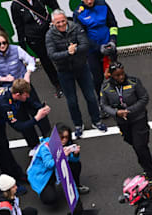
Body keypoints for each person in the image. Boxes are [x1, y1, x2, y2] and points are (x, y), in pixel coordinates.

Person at [46, 10, 107, 138]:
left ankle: (96, 121)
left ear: (66, 19)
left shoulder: (76, 27)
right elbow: (52, 55)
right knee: (72, 101)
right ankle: (78, 125)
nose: (61, 24)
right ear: (53, 23)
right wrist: (68, 52)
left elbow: (85, 45)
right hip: (64, 71)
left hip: (81, 67)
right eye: (58, 22)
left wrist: (75, 50)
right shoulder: (49, 35)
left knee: (90, 96)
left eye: (63, 21)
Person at [99, 62, 152, 187]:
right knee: (131, 142)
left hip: (138, 118)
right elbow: (104, 105)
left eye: (122, 74)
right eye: (117, 75)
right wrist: (116, 113)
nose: (121, 77)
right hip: (122, 122)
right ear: (111, 76)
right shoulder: (105, 87)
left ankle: (151, 173)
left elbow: (144, 98)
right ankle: (145, 163)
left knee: (140, 145)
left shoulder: (134, 82)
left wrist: (129, 111)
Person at [26, 124, 88, 205]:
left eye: (66, 137)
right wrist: (62, 156)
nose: (64, 140)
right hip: (43, 175)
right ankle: (43, 191)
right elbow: (49, 164)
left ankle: (76, 185)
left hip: (54, 170)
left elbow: (74, 160)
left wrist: (75, 154)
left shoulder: (65, 144)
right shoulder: (45, 148)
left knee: (76, 165)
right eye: (62, 137)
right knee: (50, 199)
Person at [10, 0, 61, 97]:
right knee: (45, 60)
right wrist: (23, 46)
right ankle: (57, 84)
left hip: (49, 30)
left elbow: (54, 5)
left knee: (59, 53)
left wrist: (56, 19)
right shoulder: (16, 5)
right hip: (34, 38)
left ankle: (69, 75)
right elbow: (19, 26)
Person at [0, 78, 51, 150]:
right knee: (2, 144)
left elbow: (28, 100)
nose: (27, 96)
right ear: (18, 95)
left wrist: (40, 107)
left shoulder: (14, 88)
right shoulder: (6, 106)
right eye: (25, 95)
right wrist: (36, 118)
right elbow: (18, 126)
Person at [75, 0, 118, 101]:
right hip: (92, 52)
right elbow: (82, 36)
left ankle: (118, 98)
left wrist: (113, 41)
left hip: (109, 48)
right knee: (98, 79)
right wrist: (98, 48)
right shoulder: (78, 13)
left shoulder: (103, 5)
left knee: (115, 75)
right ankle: (101, 101)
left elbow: (112, 24)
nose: (89, 1)